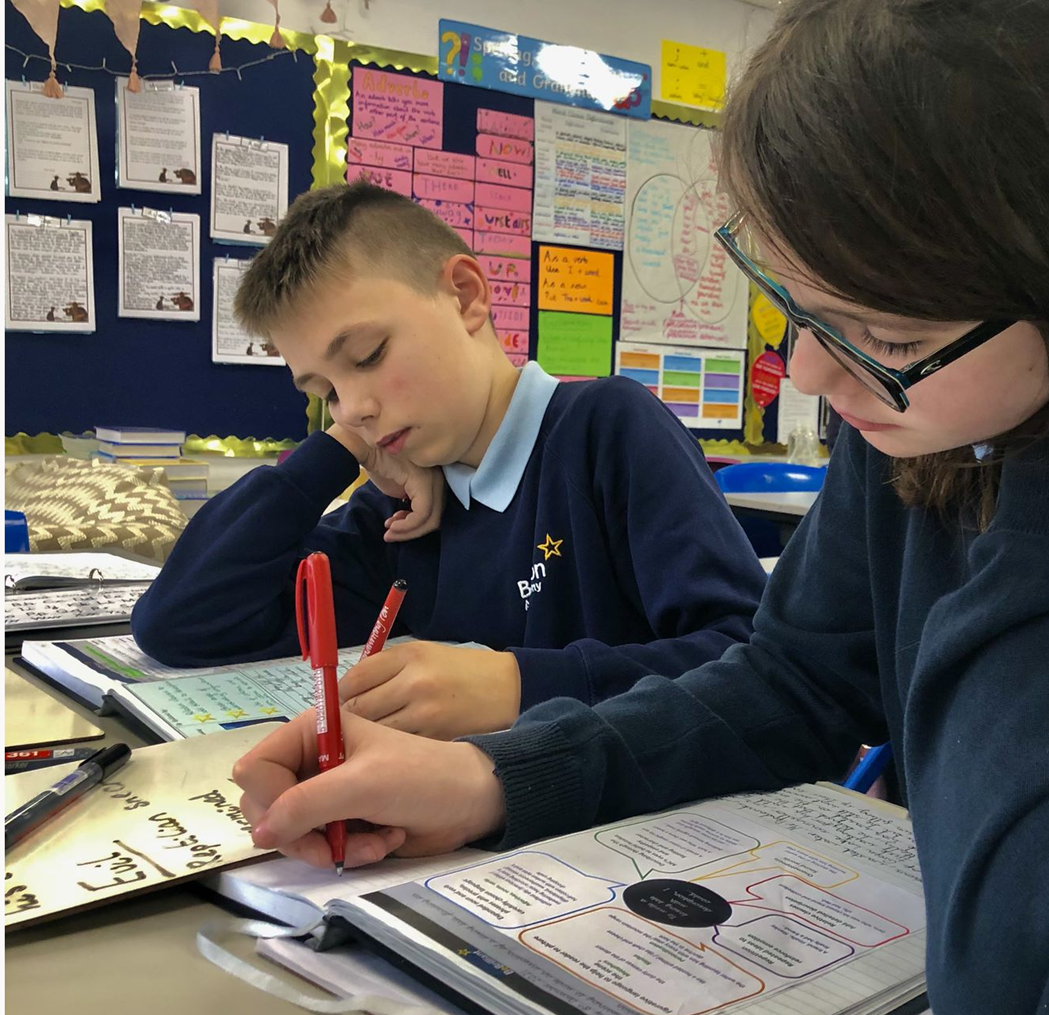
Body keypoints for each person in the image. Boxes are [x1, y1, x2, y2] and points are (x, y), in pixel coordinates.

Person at [232, 0, 1049, 1015]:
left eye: (884, 336)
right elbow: (792, 684)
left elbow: (1024, 983)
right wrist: (494, 780)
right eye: (800, 306)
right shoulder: (918, 415)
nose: (810, 370)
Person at [131, 184, 766, 740]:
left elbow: (752, 660)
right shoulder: (403, 513)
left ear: (464, 296)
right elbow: (179, 624)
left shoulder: (607, 431)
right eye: (324, 393)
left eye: (368, 355)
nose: (353, 406)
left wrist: (518, 684)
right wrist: (339, 451)